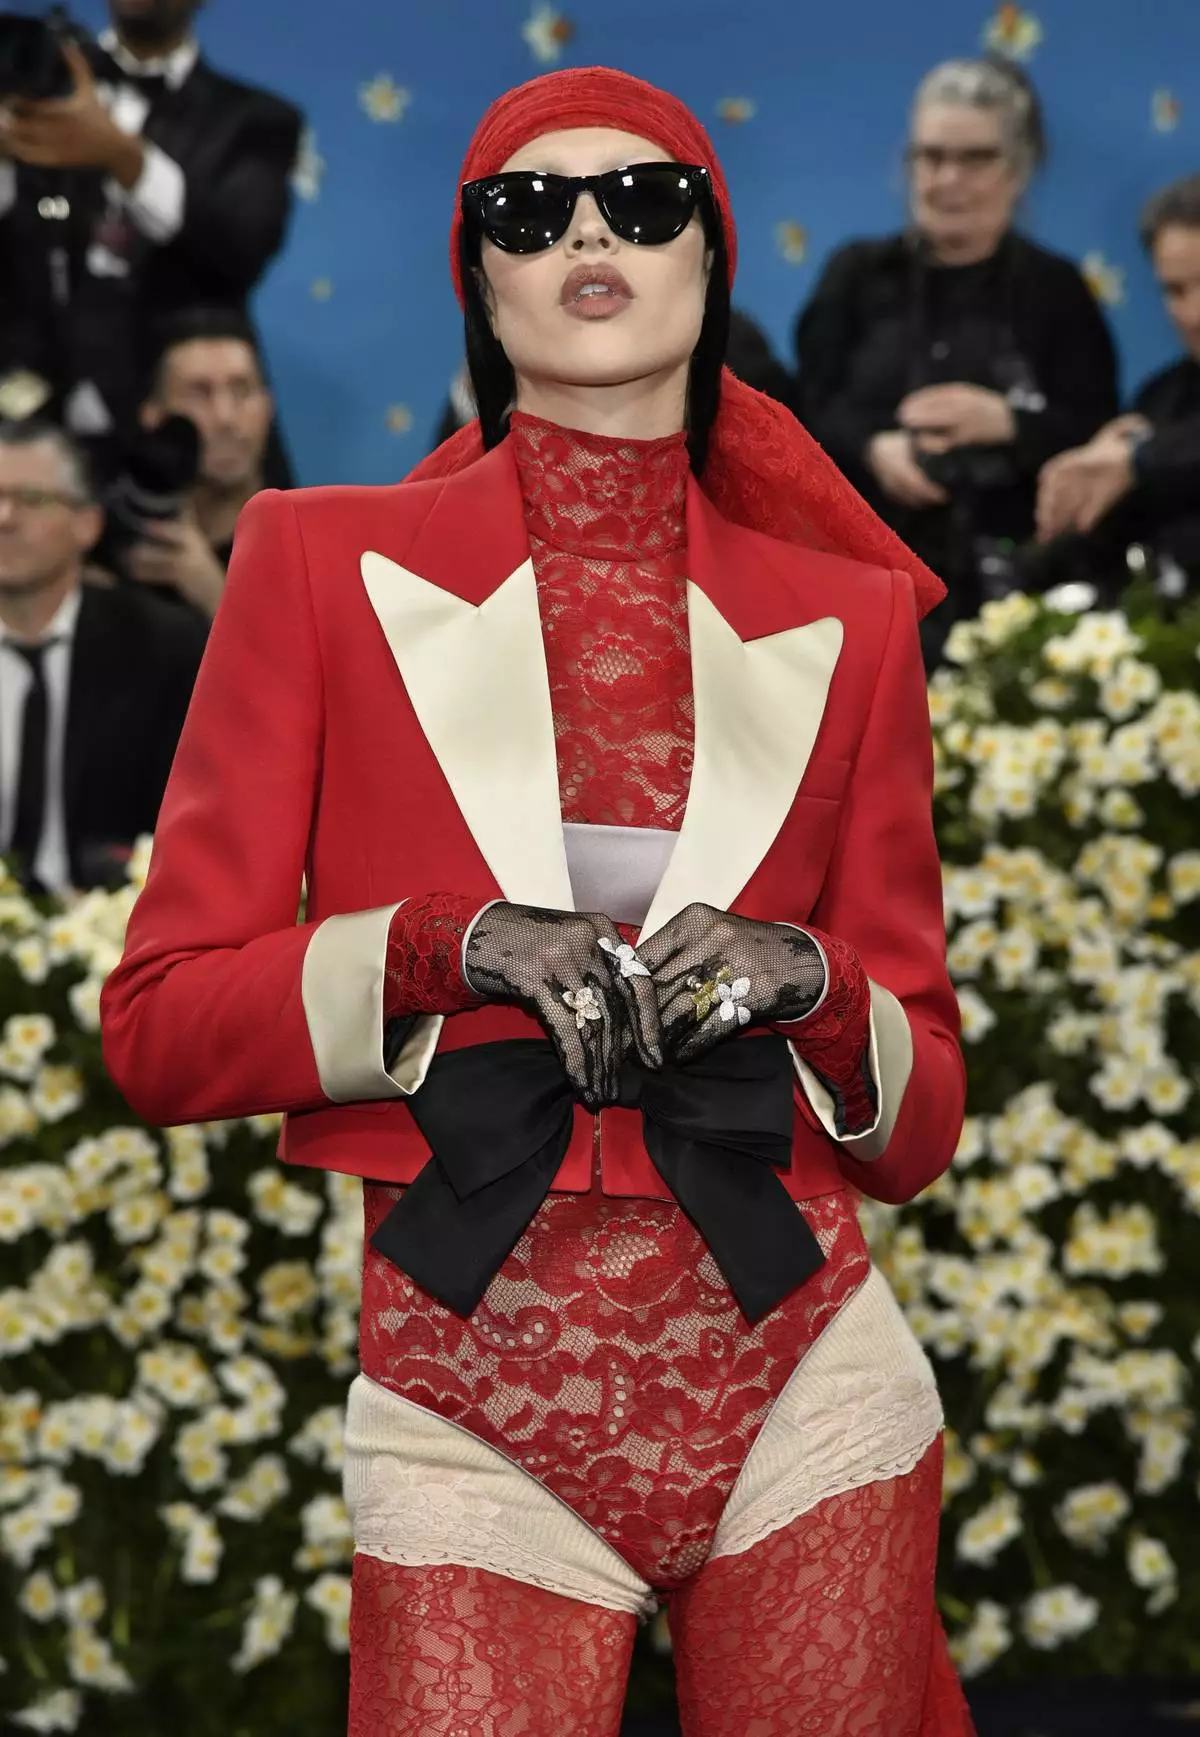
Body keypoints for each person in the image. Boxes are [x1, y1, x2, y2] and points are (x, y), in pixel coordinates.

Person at [100, 68, 974, 1737]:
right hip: (460, 1393)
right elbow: (157, 1029)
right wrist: (445, 946)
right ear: (478, 274)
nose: (589, 232)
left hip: (812, 1381)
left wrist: (816, 982)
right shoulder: (309, 557)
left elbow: (919, 1118)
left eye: (644, 204)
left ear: (713, 266)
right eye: (532, 206)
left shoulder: (853, 619)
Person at [794, 57, 1118, 657]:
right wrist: (874, 446)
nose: (948, 179)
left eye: (976, 159)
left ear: (1018, 170)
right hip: (863, 593)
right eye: (932, 156)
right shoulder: (856, 277)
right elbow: (803, 414)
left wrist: (1010, 424)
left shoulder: (1058, 292)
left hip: (1023, 603)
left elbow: (1098, 438)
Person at [0, 0, 301, 480]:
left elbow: (241, 246)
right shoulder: (42, 87)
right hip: (31, 422)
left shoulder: (256, 121)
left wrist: (124, 157)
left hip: (184, 437)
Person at [0, 419, 205, 894]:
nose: (5, 517)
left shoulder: (162, 647)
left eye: (31, 500)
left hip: (111, 931)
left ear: (87, 524)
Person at [1035, 173, 1200, 595]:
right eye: (1176, 290)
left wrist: (1138, 461)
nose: (1192, 314)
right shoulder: (1162, 399)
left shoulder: (1147, 444)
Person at [121, 309, 274, 617]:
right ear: (154, 417)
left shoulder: (309, 544)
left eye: (241, 390)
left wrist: (214, 594)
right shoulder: (114, 543)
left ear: (267, 408)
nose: (225, 417)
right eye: (198, 394)